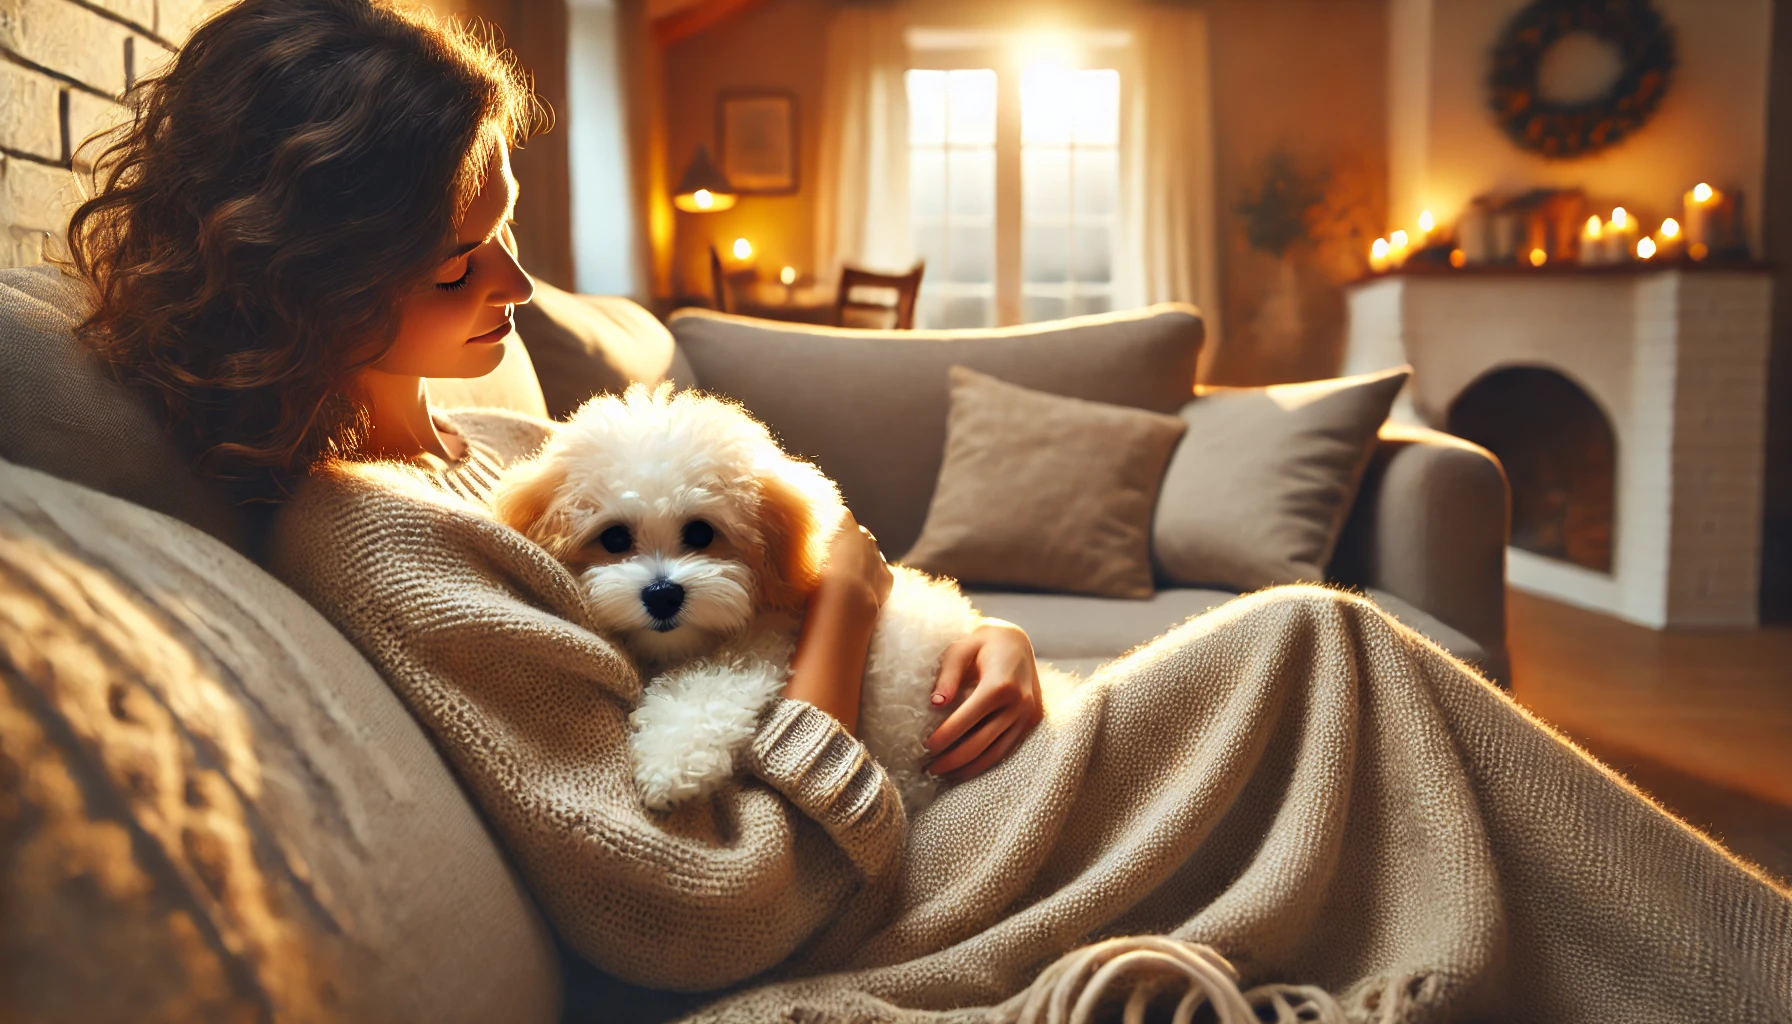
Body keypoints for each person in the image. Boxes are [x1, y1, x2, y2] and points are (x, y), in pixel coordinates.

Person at [65, 1, 1792, 1021]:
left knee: (1333, 658)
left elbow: (713, 649)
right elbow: (694, 900)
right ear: (323, 276)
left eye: (505, 225)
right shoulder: (371, 541)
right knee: (1333, 656)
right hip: (894, 884)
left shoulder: (462, 449)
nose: (514, 279)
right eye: (461, 253)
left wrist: (978, 635)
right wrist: (844, 600)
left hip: (920, 789)